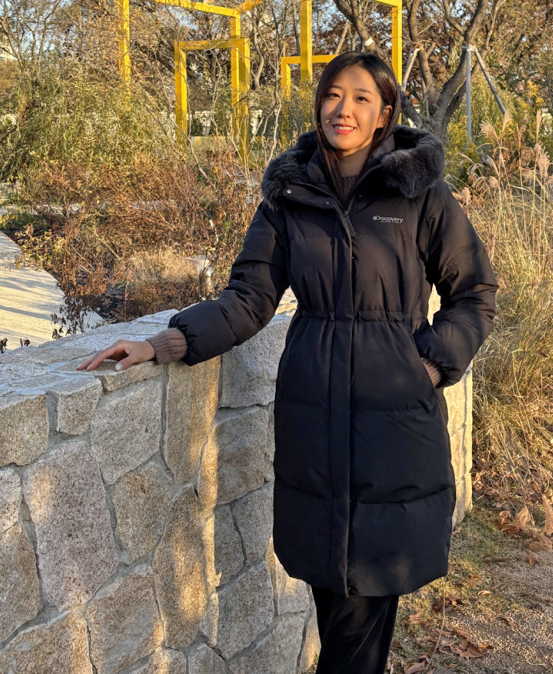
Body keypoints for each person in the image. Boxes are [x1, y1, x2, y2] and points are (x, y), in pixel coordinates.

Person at [79, 51, 498, 674]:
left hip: (393, 421)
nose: (343, 108)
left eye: (361, 97)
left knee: (363, 606)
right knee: (335, 596)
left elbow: (474, 293)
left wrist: (428, 367)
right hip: (314, 421)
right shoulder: (288, 196)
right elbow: (249, 298)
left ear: (385, 112)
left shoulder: (421, 196)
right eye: (332, 94)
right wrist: (166, 342)